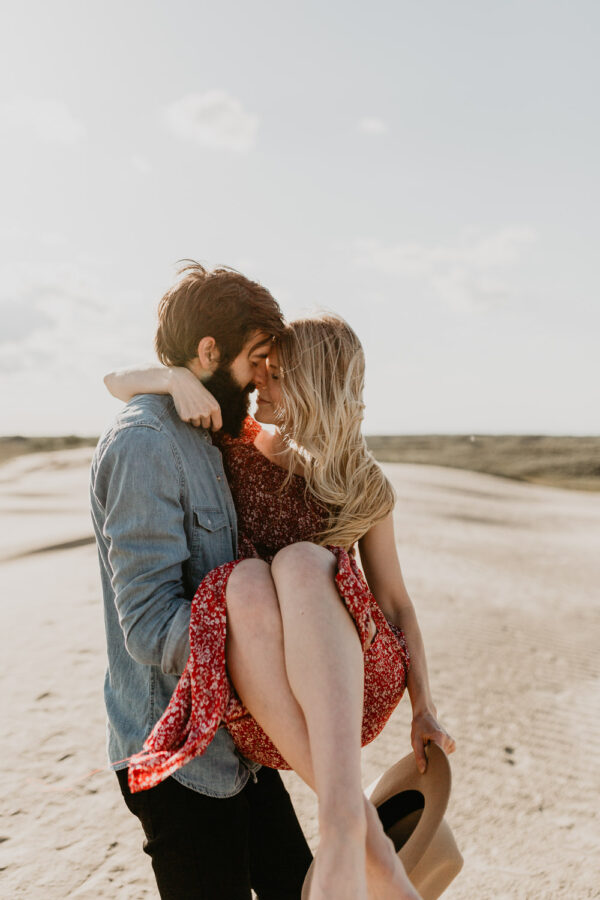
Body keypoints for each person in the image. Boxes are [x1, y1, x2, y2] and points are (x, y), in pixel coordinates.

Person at [105, 311, 456, 900]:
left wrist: (425, 708)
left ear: (313, 386)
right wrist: (170, 378)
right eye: (261, 367)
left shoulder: (362, 482)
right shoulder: (234, 443)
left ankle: (345, 827)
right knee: (244, 580)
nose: (258, 381)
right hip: (263, 682)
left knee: (298, 563)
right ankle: (362, 840)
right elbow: (115, 383)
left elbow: (396, 604)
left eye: (276, 372)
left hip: (351, 678)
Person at [90, 262, 313, 900]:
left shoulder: (210, 426)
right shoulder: (145, 446)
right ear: (208, 351)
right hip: (175, 754)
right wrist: (277, 643)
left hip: (237, 741)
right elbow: (151, 627)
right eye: (257, 358)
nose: (263, 376)